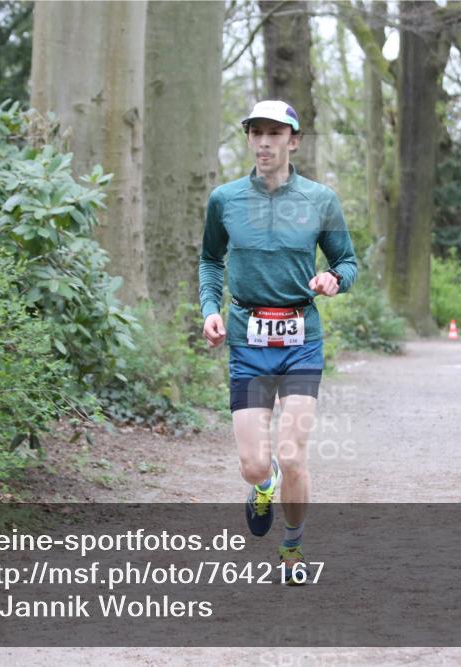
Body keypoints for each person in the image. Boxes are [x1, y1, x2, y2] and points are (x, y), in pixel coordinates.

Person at [198, 100, 357, 584]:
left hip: (300, 340)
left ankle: (292, 544)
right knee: (253, 464)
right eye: (256, 133)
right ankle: (261, 487)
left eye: (275, 132)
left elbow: (347, 261)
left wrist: (334, 279)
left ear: (294, 140)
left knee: (292, 454)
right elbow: (210, 261)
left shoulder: (320, 199)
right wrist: (210, 310)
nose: (264, 142)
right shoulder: (225, 200)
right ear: (248, 139)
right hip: (247, 341)